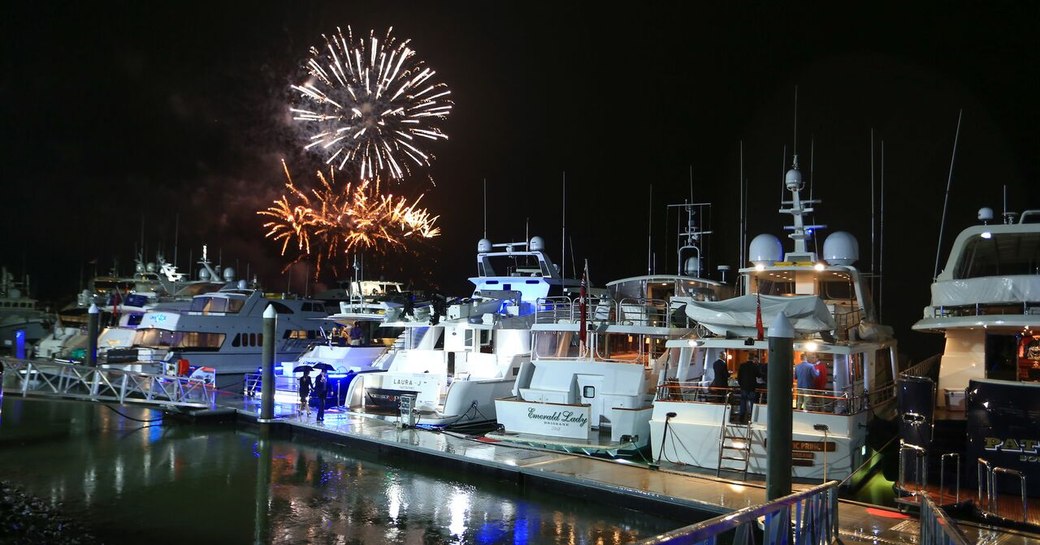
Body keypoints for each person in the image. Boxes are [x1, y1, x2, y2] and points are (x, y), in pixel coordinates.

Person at [736, 356, 761, 422]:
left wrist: (741, 384)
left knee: (743, 401)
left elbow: (739, 376)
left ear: (747, 359)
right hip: (752, 387)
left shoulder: (742, 365)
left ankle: (741, 416)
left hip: (744, 387)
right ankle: (752, 416)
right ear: (752, 359)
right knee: (752, 401)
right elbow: (758, 375)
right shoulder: (754, 366)